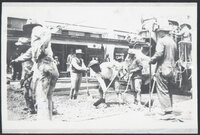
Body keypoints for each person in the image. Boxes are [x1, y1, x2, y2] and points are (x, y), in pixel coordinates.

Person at [12, 19, 59, 120]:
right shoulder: (34, 45)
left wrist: (41, 50)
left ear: (30, 27)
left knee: (41, 98)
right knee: (48, 97)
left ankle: (43, 123)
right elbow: (27, 56)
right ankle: (48, 120)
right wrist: (16, 61)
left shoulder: (36, 29)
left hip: (44, 65)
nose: (27, 32)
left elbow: (47, 34)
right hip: (51, 67)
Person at [149, 26, 178, 115]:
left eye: (158, 32)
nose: (158, 34)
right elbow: (176, 57)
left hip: (163, 68)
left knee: (162, 89)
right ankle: (170, 107)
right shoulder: (173, 42)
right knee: (169, 89)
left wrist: (151, 60)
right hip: (172, 69)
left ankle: (167, 110)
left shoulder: (161, 41)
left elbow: (159, 53)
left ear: (162, 32)